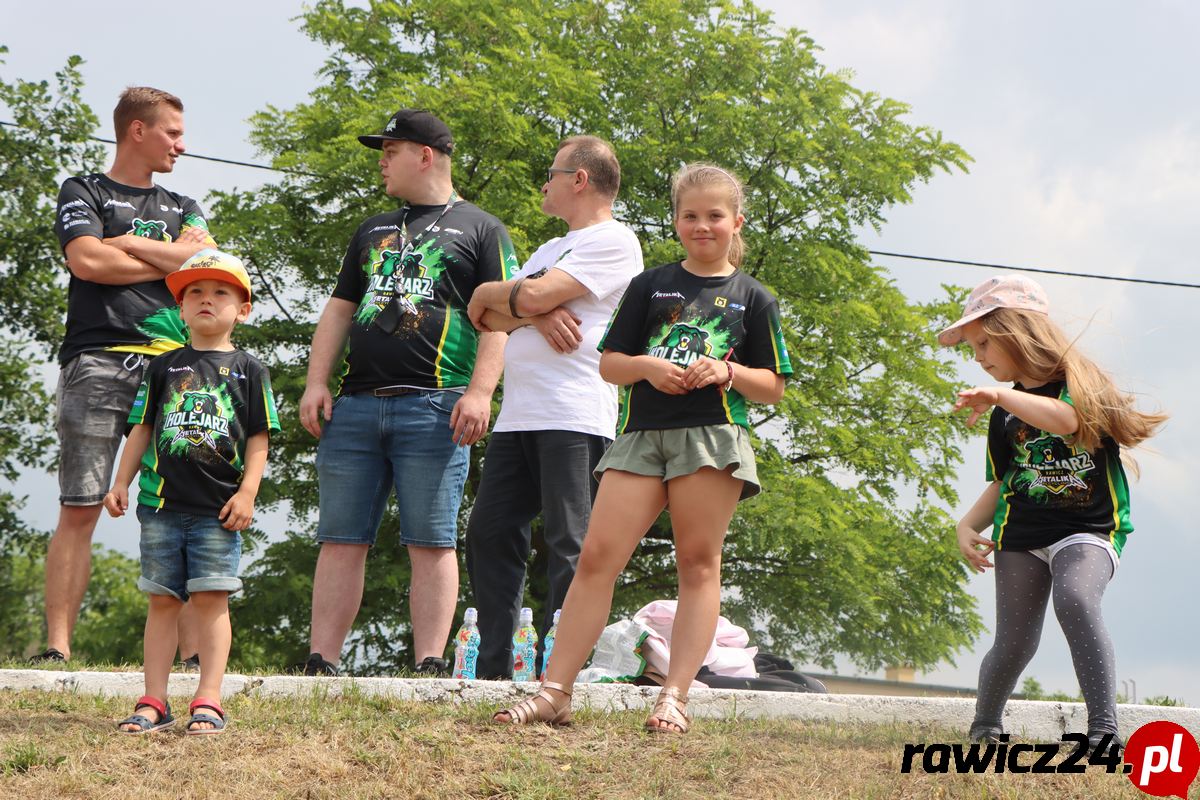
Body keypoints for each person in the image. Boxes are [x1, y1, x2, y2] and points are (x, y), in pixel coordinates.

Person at [492, 163, 793, 733]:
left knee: (698, 565)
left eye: (714, 216)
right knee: (596, 559)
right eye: (690, 216)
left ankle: (674, 696)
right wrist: (651, 368)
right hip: (641, 438)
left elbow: (773, 386)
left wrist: (726, 373)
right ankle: (555, 690)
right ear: (676, 220)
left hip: (712, 440)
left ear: (736, 222)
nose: (702, 226)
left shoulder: (755, 298)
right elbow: (609, 364)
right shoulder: (649, 285)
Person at [296, 109, 517, 676]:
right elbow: (339, 309)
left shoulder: (482, 228)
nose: (381, 159)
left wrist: (480, 393)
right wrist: (316, 382)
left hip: (437, 405)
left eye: (390, 149)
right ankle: (321, 660)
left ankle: (429, 663)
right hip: (356, 406)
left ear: (426, 155)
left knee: (431, 539)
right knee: (340, 537)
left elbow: (499, 320)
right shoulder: (371, 229)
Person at [941, 275, 1166, 756]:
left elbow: (1064, 421)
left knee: (1075, 599)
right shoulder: (1002, 415)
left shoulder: (1080, 387)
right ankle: (985, 727)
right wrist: (967, 524)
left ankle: (1103, 729)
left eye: (984, 342)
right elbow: (1004, 482)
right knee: (1014, 641)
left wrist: (1001, 397)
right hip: (1020, 534)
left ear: (1019, 333)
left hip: (1088, 530)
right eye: (972, 347)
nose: (978, 356)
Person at [40, 86, 214, 664]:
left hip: (175, 369)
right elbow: (86, 260)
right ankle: (58, 649)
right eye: (172, 133)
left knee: (187, 507)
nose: (181, 146)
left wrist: (127, 244)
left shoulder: (183, 204)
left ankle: (191, 658)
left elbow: (207, 268)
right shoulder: (83, 189)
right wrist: (165, 259)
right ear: (137, 131)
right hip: (96, 362)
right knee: (80, 504)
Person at [464, 135, 643, 679]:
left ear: (580, 179)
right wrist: (535, 312)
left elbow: (517, 299)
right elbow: (480, 309)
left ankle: (566, 668)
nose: (544, 183)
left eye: (553, 172)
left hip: (575, 412)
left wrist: (525, 302)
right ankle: (496, 665)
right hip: (519, 416)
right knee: (489, 532)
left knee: (571, 541)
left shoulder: (615, 241)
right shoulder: (547, 251)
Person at [103, 250, 279, 734]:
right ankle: (153, 701)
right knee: (161, 601)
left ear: (243, 309)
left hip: (218, 510)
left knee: (211, 600)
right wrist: (121, 482)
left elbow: (260, 438)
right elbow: (141, 428)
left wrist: (247, 494)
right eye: (194, 293)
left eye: (221, 292)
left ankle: (209, 698)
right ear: (180, 309)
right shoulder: (162, 368)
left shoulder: (251, 370)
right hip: (159, 507)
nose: (206, 300)